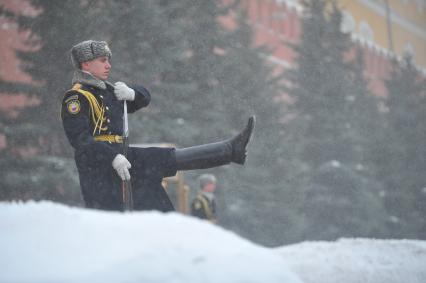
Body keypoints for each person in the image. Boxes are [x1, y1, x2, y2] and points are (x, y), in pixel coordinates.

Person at [61, 40, 255, 212]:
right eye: (103, 60)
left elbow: (144, 98)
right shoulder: (77, 97)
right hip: (99, 167)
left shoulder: (108, 91)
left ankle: (230, 150)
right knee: (113, 215)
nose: (108, 65)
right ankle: (230, 151)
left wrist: (133, 94)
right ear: (86, 64)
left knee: (162, 166)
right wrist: (112, 157)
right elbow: (81, 140)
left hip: (123, 157)